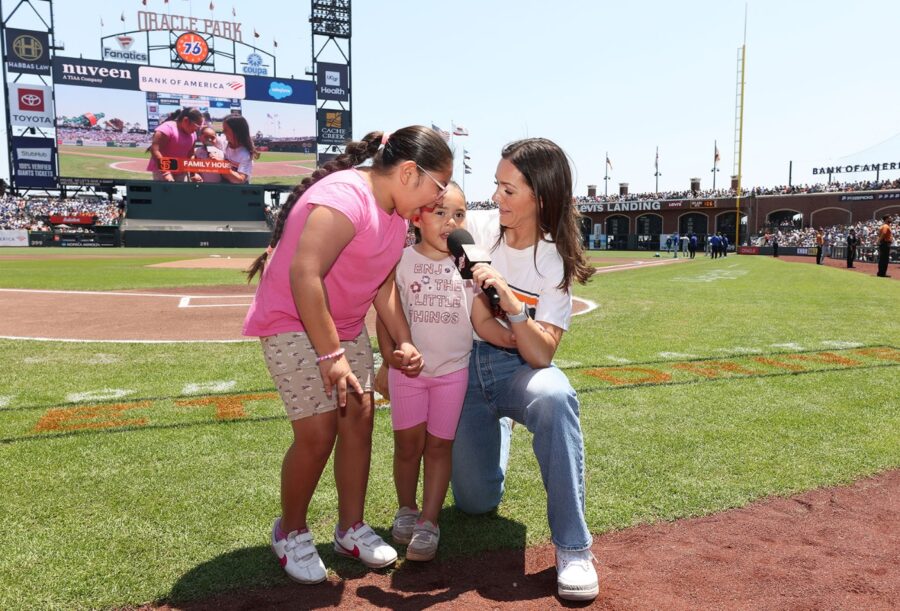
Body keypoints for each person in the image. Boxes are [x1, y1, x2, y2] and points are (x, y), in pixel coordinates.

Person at [242, 126, 453, 584]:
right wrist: (330, 355)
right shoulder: (345, 196)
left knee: (359, 419)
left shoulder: (397, 215)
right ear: (409, 172)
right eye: (438, 186)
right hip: (292, 320)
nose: (438, 199)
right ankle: (290, 531)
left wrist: (403, 340)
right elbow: (305, 274)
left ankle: (349, 529)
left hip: (345, 327)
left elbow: (383, 286)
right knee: (318, 431)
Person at [449, 138, 599, 601]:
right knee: (475, 503)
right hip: (465, 366)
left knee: (554, 395)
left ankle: (574, 549)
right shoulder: (476, 227)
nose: (496, 197)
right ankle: (500, 428)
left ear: (541, 197)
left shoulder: (554, 258)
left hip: (519, 371)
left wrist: (514, 306)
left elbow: (540, 355)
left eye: (509, 189)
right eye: (496, 185)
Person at [377, 184, 515, 562]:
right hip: (409, 375)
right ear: (416, 218)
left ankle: (429, 521)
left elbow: (481, 321)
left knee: (439, 448)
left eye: (459, 214)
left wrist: (512, 336)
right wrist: (389, 356)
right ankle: (406, 509)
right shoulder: (401, 261)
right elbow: (387, 316)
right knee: (408, 447)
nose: (451, 222)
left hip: (453, 372)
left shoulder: (469, 266)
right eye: (440, 213)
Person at [146, 107, 204, 182]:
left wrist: (193, 174)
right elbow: (155, 150)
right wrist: (166, 173)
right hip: (162, 172)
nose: (197, 130)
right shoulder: (167, 128)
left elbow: (191, 155)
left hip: (181, 171)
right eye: (196, 126)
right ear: (185, 120)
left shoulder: (193, 134)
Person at [221, 115, 259, 184]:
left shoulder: (245, 154)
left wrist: (221, 165)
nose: (223, 132)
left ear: (236, 132)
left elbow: (240, 180)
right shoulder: (223, 143)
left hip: (238, 189)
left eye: (226, 129)